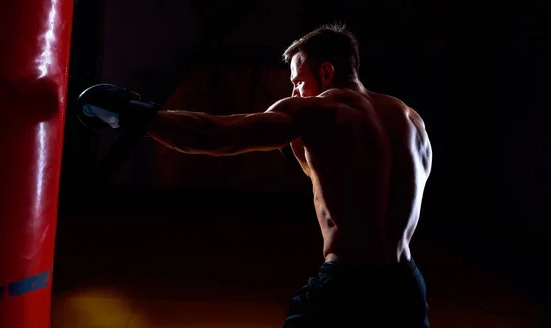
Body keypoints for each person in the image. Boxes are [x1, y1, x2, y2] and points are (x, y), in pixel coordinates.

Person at [78, 23, 432, 327]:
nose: (294, 92)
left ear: (326, 73)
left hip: (347, 287)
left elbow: (212, 136)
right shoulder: (411, 120)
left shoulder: (318, 110)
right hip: (406, 286)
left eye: (298, 81)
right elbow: (358, 187)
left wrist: (136, 114)